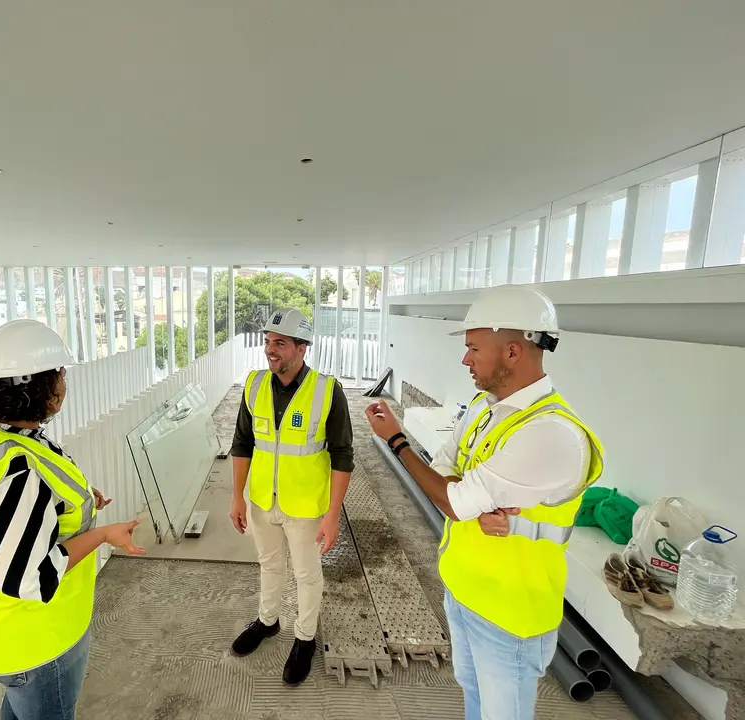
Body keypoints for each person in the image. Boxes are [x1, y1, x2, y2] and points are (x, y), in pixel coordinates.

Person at [365, 285, 604, 720]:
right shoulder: (482, 407)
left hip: (510, 615)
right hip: (463, 590)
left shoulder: (550, 434)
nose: (465, 359)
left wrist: (397, 441)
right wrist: (466, 494)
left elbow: (453, 501)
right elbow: (443, 474)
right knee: (474, 701)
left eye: (473, 347)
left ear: (513, 351)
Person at [0, 319, 145, 720]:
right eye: (58, 373)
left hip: (9, 633)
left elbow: (27, 503)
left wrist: (78, 502)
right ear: (39, 387)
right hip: (36, 642)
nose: (64, 381)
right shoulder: (15, 469)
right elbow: (29, 578)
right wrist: (105, 534)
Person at [228, 307, 354, 686]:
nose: (271, 350)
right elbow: (242, 442)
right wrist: (237, 496)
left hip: (305, 505)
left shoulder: (327, 391)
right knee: (269, 565)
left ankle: (305, 637)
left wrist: (333, 515)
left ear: (302, 348)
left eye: (279, 343)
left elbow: (343, 454)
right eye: (268, 342)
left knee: (306, 574)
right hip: (263, 500)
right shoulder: (253, 385)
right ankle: (268, 622)